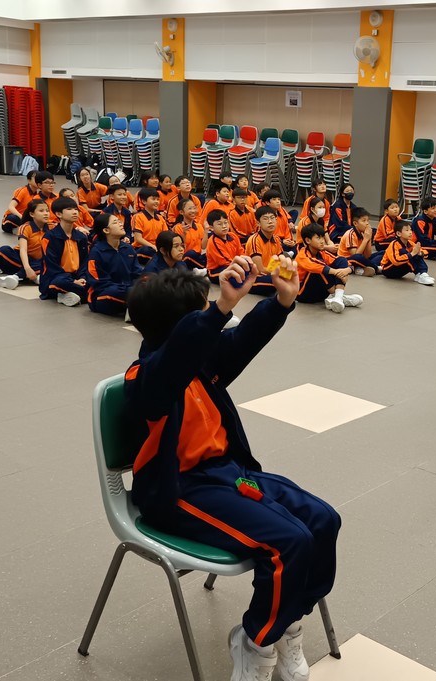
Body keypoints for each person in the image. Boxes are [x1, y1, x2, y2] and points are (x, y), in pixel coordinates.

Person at [124, 261, 340, 681]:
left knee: (323, 520)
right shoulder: (148, 378)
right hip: (179, 491)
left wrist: (281, 301)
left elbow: (243, 341)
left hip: (228, 474)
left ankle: (285, 620)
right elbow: (176, 359)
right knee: (288, 543)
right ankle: (256, 643)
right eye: (201, 314)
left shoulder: (201, 363)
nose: (212, 319)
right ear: (182, 329)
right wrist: (218, 309)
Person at [295, 223, 363, 312]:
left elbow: (339, 260)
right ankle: (340, 297)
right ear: (308, 240)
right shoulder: (302, 255)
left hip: (321, 295)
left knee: (341, 260)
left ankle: (338, 298)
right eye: (318, 238)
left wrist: (347, 270)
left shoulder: (322, 253)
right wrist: (337, 272)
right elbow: (315, 266)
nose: (322, 241)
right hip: (303, 294)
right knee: (320, 269)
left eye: (323, 238)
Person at [86, 213, 142, 317]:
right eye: (115, 222)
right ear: (106, 230)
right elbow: (99, 283)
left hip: (128, 290)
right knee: (114, 292)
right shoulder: (97, 252)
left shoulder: (128, 248)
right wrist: (128, 289)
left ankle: (133, 306)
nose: (121, 224)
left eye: (120, 221)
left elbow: (137, 273)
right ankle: (134, 306)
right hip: (102, 294)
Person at [39, 196, 89, 306]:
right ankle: (84, 295)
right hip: (57, 277)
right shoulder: (50, 237)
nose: (74, 212)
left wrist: (82, 278)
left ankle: (67, 295)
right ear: (59, 214)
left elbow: (84, 262)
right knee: (58, 283)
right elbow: (51, 265)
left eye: (76, 209)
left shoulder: (81, 237)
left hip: (77, 276)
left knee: (95, 281)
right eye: (69, 209)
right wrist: (73, 281)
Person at [0, 199, 50, 289]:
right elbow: (23, 250)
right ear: (32, 214)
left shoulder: (52, 227)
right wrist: (27, 268)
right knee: (3, 251)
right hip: (22, 258)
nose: (46, 213)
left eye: (47, 211)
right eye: (41, 211)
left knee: (48, 262)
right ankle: (36, 276)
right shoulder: (25, 227)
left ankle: (17, 276)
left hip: (40, 260)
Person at [244, 206, 285, 296]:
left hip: (270, 273)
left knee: (292, 275)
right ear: (258, 223)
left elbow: (281, 262)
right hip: (254, 278)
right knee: (277, 280)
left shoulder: (277, 239)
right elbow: (259, 270)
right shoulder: (255, 240)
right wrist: (280, 273)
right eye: (265, 219)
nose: (270, 221)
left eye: (272, 218)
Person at [380, 220, 435, 286]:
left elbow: (425, 253)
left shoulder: (410, 243)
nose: (410, 232)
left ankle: (422, 274)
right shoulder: (394, 244)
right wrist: (412, 254)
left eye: (410, 230)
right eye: (407, 230)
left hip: (400, 270)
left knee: (417, 253)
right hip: (388, 270)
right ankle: (419, 273)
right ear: (398, 233)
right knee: (404, 252)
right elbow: (396, 261)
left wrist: (419, 253)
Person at [338, 207, 381, 276]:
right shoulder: (350, 234)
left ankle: (364, 268)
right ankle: (376, 268)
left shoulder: (363, 233)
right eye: (364, 221)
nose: (367, 223)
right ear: (355, 223)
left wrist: (369, 238)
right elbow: (355, 255)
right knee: (358, 257)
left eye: (368, 221)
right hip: (347, 260)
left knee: (383, 253)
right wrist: (365, 239)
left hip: (360, 258)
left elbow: (367, 255)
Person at [206, 209, 244, 283]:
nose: (224, 226)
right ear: (211, 228)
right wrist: (240, 265)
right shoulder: (213, 241)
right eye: (219, 224)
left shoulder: (233, 236)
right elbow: (223, 262)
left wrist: (244, 261)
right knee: (235, 273)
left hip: (234, 264)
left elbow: (241, 251)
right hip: (216, 270)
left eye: (225, 223)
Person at [132, 187, 169, 264]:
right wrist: (153, 246)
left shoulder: (160, 218)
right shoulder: (138, 217)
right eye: (153, 199)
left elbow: (165, 236)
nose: (156, 202)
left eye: (158, 199)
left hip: (157, 248)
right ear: (144, 201)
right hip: (141, 248)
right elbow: (138, 239)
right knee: (148, 250)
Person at [172, 197, 207, 270]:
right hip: (184, 257)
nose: (193, 211)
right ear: (181, 212)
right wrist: (184, 234)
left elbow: (203, 246)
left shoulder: (199, 226)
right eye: (190, 209)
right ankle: (204, 269)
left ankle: (201, 269)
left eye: (194, 208)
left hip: (197, 257)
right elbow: (179, 247)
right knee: (191, 254)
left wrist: (206, 230)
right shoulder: (178, 227)